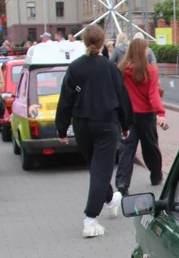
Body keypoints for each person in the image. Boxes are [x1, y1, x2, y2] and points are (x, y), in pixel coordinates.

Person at [55, 24, 133, 237]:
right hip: (106, 124)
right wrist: (126, 125)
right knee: (100, 169)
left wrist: (61, 128)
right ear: (101, 43)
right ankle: (90, 219)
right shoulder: (109, 68)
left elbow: (66, 99)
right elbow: (122, 97)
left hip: (82, 125)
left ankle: (109, 200)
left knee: (96, 167)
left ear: (84, 42)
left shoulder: (75, 67)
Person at [116, 38, 167, 195]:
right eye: (146, 49)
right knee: (150, 147)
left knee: (127, 149)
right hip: (146, 115)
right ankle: (156, 175)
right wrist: (161, 113)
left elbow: (118, 92)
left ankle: (122, 183)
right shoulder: (150, 71)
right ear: (142, 51)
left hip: (127, 116)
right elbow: (153, 95)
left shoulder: (121, 70)